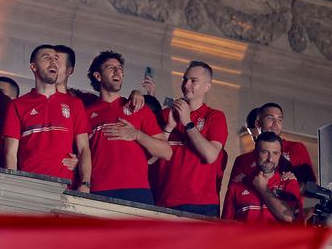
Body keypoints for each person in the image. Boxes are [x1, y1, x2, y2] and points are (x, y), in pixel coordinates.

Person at [85, 50, 171, 204]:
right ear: (98, 76)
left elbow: (166, 152)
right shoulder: (86, 113)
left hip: (137, 189)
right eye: (111, 67)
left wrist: (136, 134)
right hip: (99, 189)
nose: (117, 71)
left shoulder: (137, 108)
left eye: (120, 68)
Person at [3, 44, 91, 191]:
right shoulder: (18, 105)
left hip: (65, 187)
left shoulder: (74, 104)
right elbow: (10, 153)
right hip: (28, 186)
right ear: (33, 66)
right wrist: (13, 186)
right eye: (47, 58)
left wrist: (85, 184)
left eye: (56, 58)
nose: (53, 62)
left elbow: (84, 149)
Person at [151, 61, 228, 217]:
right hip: (164, 201)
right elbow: (150, 158)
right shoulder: (165, 115)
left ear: (207, 86)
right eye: (184, 79)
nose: (186, 84)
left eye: (194, 81)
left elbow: (211, 155)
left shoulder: (214, 116)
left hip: (200, 204)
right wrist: (169, 127)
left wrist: (187, 122)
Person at [222, 131, 302, 223]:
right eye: (265, 152)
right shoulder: (237, 186)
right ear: (255, 153)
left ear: (280, 155)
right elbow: (225, 227)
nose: (270, 159)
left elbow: (290, 217)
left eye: (275, 153)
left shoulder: (289, 183)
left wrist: (263, 188)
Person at [230, 102, 316, 186]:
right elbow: (233, 193)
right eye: (270, 118)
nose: (276, 123)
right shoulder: (242, 160)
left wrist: (294, 181)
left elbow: (311, 187)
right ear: (257, 123)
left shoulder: (296, 148)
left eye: (280, 119)